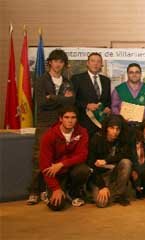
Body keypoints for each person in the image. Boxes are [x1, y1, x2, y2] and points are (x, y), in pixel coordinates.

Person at [28, 49, 75, 205]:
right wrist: (61, 99)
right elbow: (41, 103)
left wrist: (52, 98)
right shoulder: (41, 80)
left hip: (62, 125)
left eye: (61, 62)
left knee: (58, 159)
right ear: (50, 62)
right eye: (55, 61)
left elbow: (70, 103)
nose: (58, 64)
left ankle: (47, 190)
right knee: (39, 158)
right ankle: (34, 191)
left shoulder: (67, 82)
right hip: (45, 123)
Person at [39, 106, 90, 211]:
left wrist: (62, 164)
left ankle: (73, 192)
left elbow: (82, 155)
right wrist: (56, 188)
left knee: (84, 170)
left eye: (73, 117)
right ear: (60, 119)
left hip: (71, 169)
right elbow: (45, 166)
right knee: (57, 206)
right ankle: (51, 189)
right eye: (66, 117)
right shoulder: (49, 136)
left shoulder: (82, 132)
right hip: (56, 173)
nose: (70, 120)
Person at [89, 114, 133, 207]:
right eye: (112, 128)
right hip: (100, 175)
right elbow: (91, 165)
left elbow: (126, 155)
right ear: (106, 128)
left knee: (126, 162)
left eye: (118, 129)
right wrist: (102, 186)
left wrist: (106, 161)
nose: (115, 132)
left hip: (115, 173)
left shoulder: (122, 139)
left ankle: (119, 194)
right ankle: (111, 192)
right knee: (101, 203)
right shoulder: (96, 139)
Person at [72, 52, 111, 136]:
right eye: (93, 61)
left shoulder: (106, 80)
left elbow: (108, 100)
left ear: (101, 65)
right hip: (84, 123)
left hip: (101, 124)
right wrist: (86, 105)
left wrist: (108, 108)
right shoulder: (77, 79)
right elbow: (72, 100)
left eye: (98, 61)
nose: (95, 64)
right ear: (88, 63)